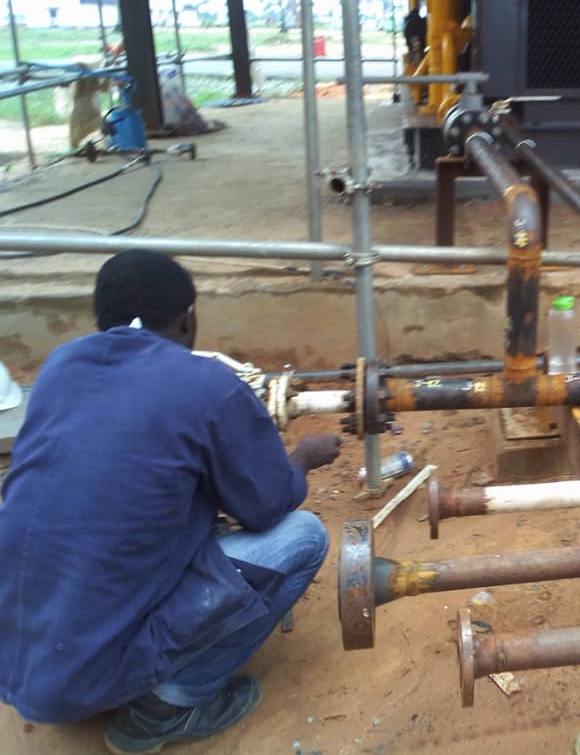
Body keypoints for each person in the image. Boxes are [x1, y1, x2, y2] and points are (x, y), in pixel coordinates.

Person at [0, 250, 341, 755]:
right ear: (188, 317)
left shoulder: (60, 367)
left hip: (18, 660)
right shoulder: (207, 386)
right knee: (303, 537)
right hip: (89, 675)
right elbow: (268, 506)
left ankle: (96, 669)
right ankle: (168, 708)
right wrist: (303, 459)